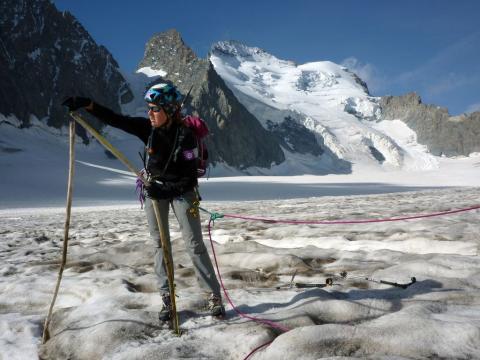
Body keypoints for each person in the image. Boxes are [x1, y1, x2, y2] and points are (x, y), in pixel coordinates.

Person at [62, 82, 225, 321]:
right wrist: (87, 104)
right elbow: (116, 119)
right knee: (160, 245)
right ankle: (167, 298)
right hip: (154, 190)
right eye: (149, 108)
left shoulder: (187, 137)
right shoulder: (146, 129)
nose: (150, 113)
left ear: (169, 110)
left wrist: (167, 189)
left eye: (155, 109)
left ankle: (213, 296)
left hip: (182, 191)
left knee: (194, 244)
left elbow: (189, 176)